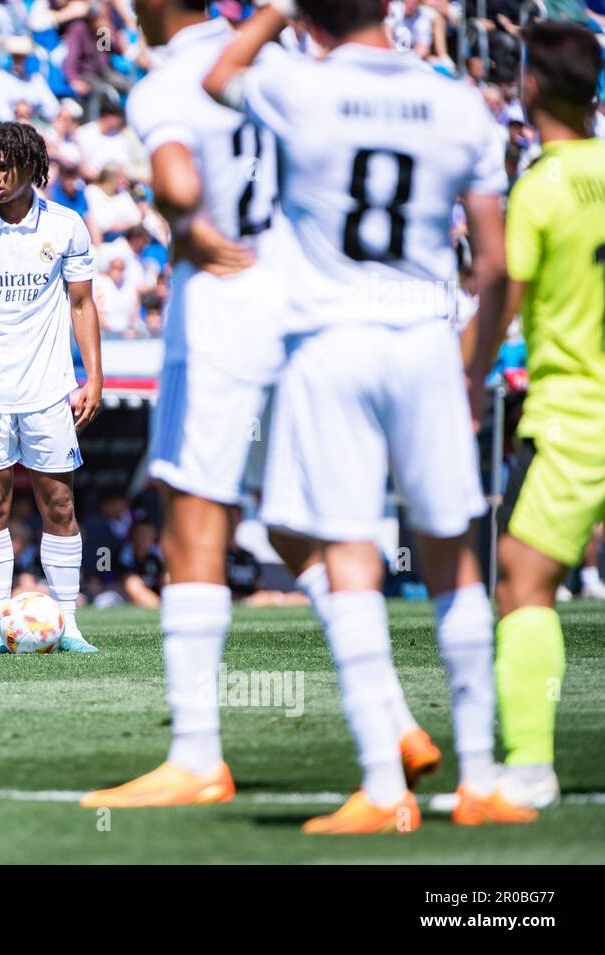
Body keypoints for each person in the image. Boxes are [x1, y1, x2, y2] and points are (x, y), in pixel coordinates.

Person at [82, 0, 431, 812]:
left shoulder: (167, 79)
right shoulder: (283, 64)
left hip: (225, 310)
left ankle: (197, 755)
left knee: (194, 518)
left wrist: (185, 227)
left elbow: (176, 183)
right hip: (302, 301)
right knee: (294, 524)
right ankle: (395, 721)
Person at [202, 0, 531, 833]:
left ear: (309, 15)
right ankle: (483, 778)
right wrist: (472, 366)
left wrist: (276, 11)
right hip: (425, 333)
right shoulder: (459, 101)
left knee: (351, 558)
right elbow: (493, 265)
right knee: (456, 558)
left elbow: (217, 77)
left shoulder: (298, 87)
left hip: (331, 340)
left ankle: (386, 786)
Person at [465, 22, 605, 811]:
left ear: (530, 87)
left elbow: (501, 300)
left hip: (576, 414)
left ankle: (528, 766)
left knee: (522, 580)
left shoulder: (543, 184)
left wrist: (461, 382)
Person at [0, 121, 103, 654]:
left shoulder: (67, 225)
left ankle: (69, 624)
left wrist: (93, 376)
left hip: (50, 391)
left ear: (33, 167)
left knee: (58, 503)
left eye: (7, 167)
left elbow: (82, 304)